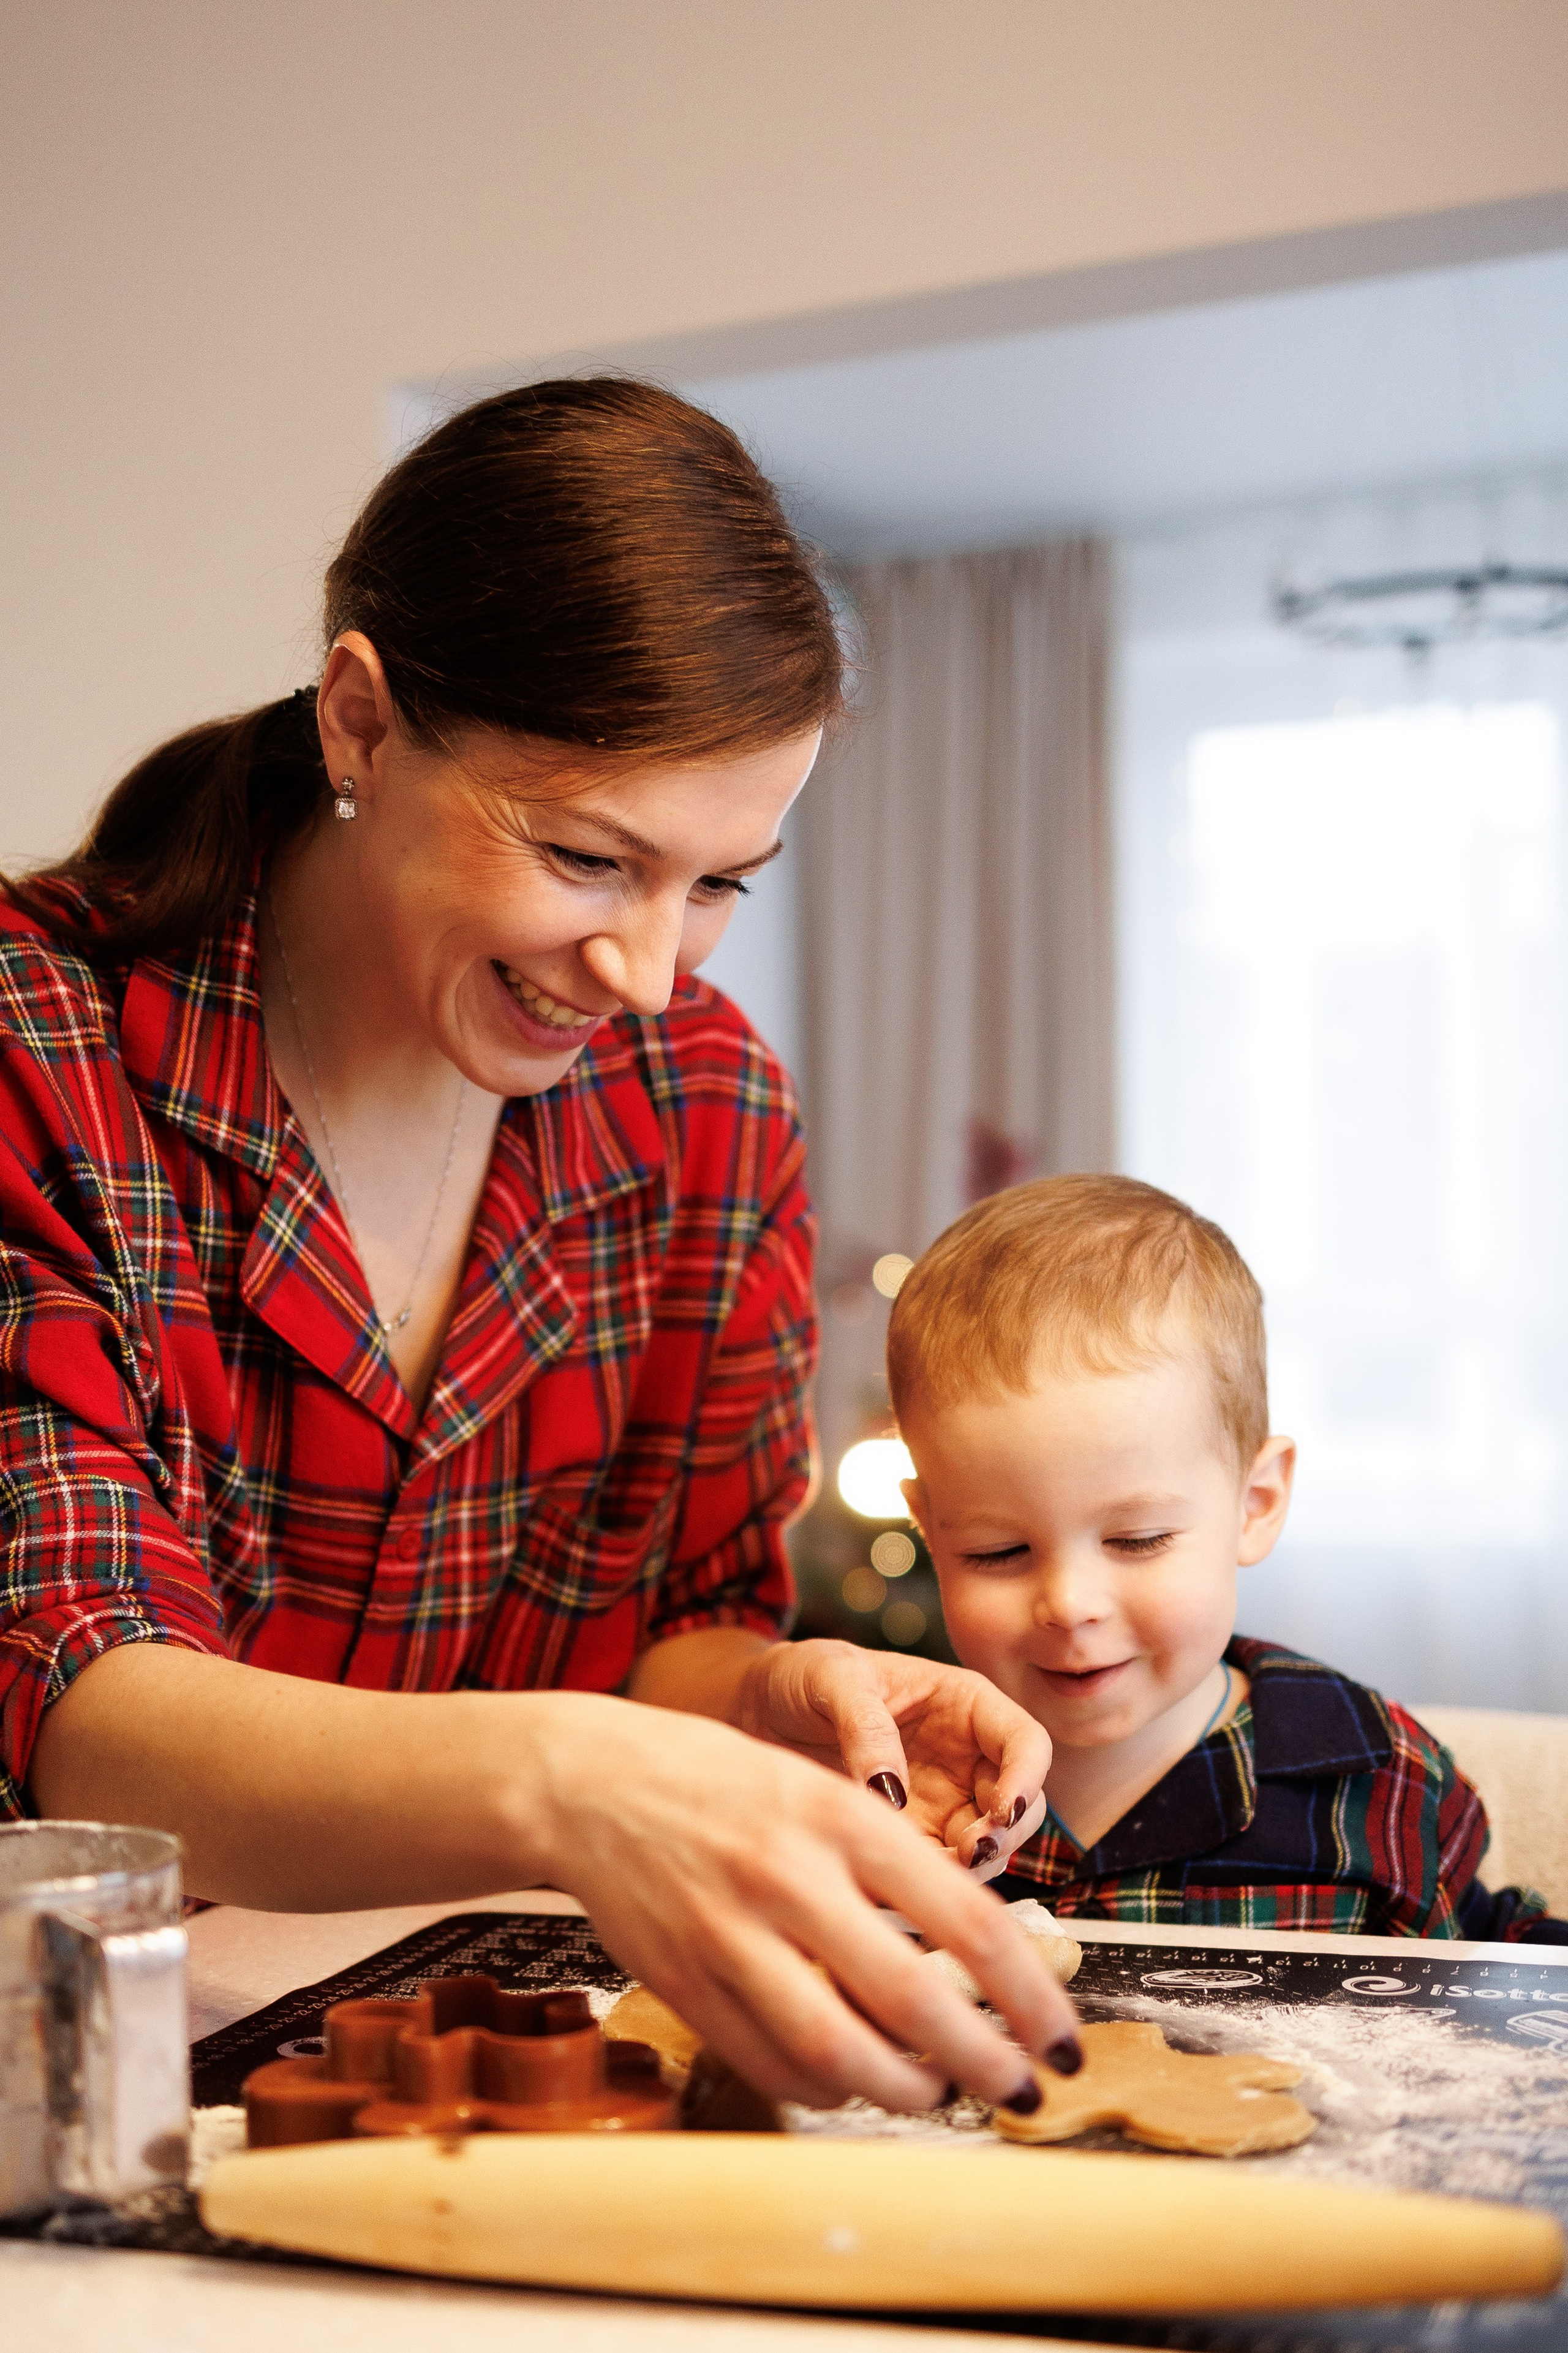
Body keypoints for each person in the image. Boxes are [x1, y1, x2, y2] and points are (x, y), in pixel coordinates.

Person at [1, 379, 1084, 2115]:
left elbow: (671, 1634)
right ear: (361, 722)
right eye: (588, 856)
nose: (652, 972)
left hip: (479, 2096)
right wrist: (570, 1781)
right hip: (63, 2083)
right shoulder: (34, 1048)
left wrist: (775, 1696)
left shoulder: (706, 1102)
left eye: (724, 881)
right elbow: (84, 1713)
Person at [888, 1172, 1564, 1939]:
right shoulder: (892, 1785)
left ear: (1256, 1504)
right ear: (930, 1528)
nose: (1070, 1602)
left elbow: (1498, 1977)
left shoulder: (1367, 1778)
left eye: (1136, 1539)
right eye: (999, 1551)